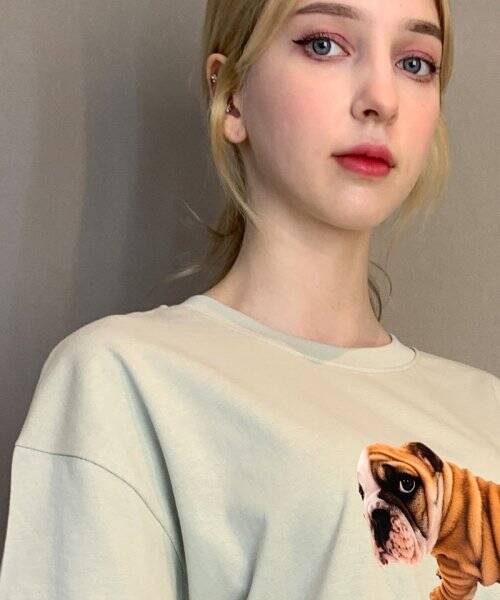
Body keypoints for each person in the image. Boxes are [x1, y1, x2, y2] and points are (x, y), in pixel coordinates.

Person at [1, 1, 498, 599]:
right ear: (231, 95)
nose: (381, 99)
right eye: (324, 44)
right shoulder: (125, 379)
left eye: (415, 63)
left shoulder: (486, 408)